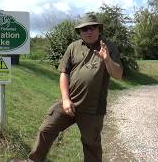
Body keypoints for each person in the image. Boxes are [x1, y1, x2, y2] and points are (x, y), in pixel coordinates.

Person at [13, 13, 123, 162]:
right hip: (69, 103)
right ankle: (33, 160)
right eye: (84, 29)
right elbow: (64, 73)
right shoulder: (73, 47)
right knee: (47, 129)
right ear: (80, 32)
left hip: (93, 109)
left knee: (91, 144)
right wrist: (65, 99)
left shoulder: (108, 47)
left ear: (99, 29)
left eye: (92, 28)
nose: (89, 31)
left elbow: (118, 75)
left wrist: (107, 59)